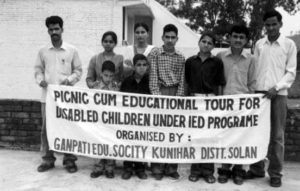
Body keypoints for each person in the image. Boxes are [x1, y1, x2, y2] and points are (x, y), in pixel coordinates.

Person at [245, 9, 297, 188]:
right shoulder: (259, 44)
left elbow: (291, 72)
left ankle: (275, 173)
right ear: (264, 26)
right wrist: (254, 91)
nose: (271, 27)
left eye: (274, 24)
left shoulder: (289, 44)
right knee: (257, 133)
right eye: (267, 24)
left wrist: (276, 88)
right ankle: (256, 168)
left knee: (276, 135)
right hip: (259, 96)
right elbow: (256, 69)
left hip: (278, 95)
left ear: (280, 24)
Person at [34, 15, 82, 173]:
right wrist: (40, 80)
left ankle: (69, 160)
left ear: (62, 29)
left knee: (67, 127)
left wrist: (69, 80)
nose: (54, 31)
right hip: (47, 97)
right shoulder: (43, 51)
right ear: (48, 31)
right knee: (46, 129)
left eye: (57, 28)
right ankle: (48, 160)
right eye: (51, 29)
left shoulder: (71, 50)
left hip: (66, 98)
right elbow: (38, 70)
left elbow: (78, 71)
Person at [216, 25, 256, 185]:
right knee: (226, 137)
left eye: (241, 37)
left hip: (243, 106)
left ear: (246, 40)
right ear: (229, 38)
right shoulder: (220, 56)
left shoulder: (251, 59)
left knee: (241, 138)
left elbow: (252, 83)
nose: (238, 40)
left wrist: (250, 104)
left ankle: (238, 169)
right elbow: (217, 81)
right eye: (235, 36)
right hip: (224, 104)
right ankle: (225, 168)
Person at [185, 32, 226, 184]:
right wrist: (186, 101)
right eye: (204, 41)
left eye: (210, 43)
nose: (206, 45)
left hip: (210, 100)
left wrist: (219, 104)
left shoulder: (217, 62)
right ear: (199, 42)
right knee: (196, 137)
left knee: (209, 137)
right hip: (194, 100)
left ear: (213, 46)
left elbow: (220, 83)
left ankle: (208, 171)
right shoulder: (190, 61)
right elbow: (187, 83)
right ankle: (195, 170)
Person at [149, 24, 185, 180]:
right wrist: (157, 96)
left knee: (173, 133)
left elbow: (183, 80)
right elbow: (152, 76)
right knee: (158, 132)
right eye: (167, 37)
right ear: (162, 37)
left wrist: (178, 98)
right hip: (160, 92)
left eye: (173, 37)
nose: (170, 40)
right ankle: (157, 167)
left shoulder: (181, 57)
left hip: (175, 93)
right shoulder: (155, 53)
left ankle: (171, 167)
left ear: (177, 39)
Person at [120, 54, 150, 180]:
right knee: (128, 142)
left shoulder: (150, 82)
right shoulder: (127, 81)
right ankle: (127, 167)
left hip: (144, 120)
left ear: (147, 66)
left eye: (144, 65)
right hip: (129, 119)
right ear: (133, 66)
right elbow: (119, 100)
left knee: (140, 142)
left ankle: (139, 167)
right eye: (138, 65)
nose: (141, 68)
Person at [90, 60, 118, 179]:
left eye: (111, 76)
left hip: (111, 120)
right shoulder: (95, 87)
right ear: (101, 74)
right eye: (106, 75)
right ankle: (98, 167)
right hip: (99, 120)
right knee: (99, 142)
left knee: (110, 142)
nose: (108, 78)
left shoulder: (116, 88)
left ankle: (110, 167)